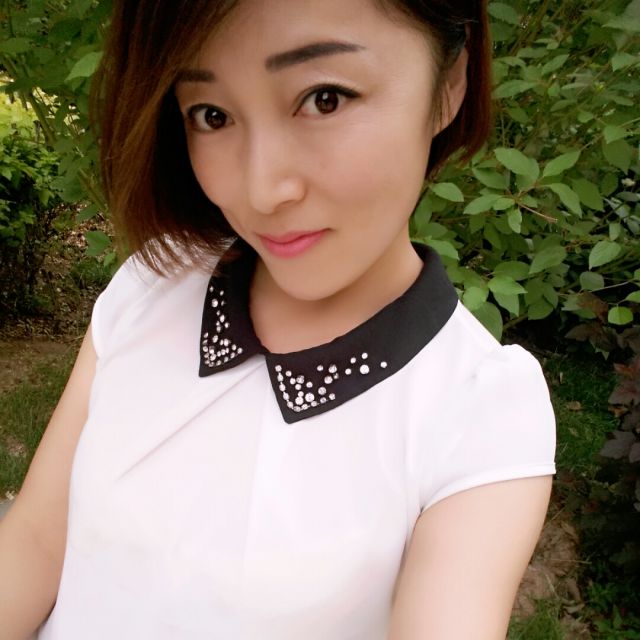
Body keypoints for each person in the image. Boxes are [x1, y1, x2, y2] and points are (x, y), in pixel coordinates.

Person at [0, 0, 557, 638]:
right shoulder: (155, 285)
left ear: (449, 82)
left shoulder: (479, 412)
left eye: (325, 99)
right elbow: (36, 541)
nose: (262, 190)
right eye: (212, 115)